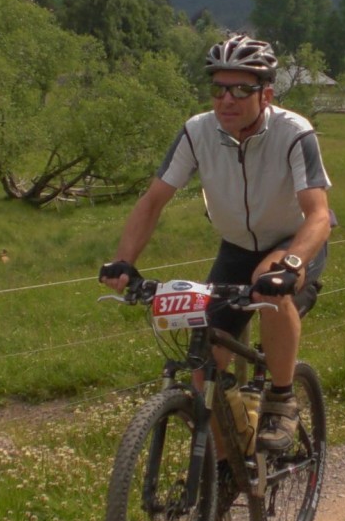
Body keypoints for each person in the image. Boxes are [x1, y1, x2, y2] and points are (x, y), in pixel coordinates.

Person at [99, 34, 332, 454]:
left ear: (266, 94)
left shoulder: (294, 132)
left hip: (293, 241)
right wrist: (124, 261)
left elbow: (317, 215)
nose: (227, 99)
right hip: (236, 247)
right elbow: (153, 201)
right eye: (219, 88)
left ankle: (282, 398)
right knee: (203, 369)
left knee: (268, 282)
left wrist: (293, 265)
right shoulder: (197, 131)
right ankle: (224, 469)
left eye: (241, 89)